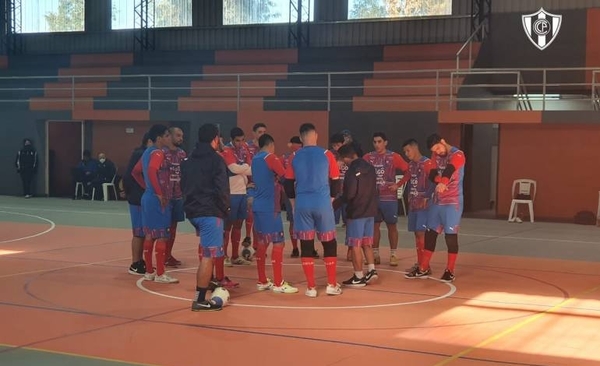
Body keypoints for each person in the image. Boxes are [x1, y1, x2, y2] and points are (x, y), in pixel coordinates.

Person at [284, 123, 342, 298]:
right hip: (322, 203)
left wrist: (294, 204)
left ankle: (311, 287)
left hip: (302, 204)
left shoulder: (294, 156)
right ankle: (331, 284)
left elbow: (287, 184)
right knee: (329, 242)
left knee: (306, 244)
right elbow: (336, 181)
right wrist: (330, 200)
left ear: (301, 138)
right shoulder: (327, 154)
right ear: (316, 135)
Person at [181, 123, 231, 311]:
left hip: (193, 210)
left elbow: (183, 186)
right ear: (215, 139)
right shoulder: (216, 160)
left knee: (206, 250)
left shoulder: (188, 160)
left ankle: (206, 282)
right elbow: (222, 188)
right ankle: (200, 299)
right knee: (209, 256)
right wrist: (225, 209)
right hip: (210, 212)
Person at [405, 133, 465, 283]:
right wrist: (438, 181)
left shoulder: (458, 155)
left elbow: (450, 170)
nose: (437, 152)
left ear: (443, 141)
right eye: (435, 150)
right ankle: (423, 267)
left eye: (438, 148)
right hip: (437, 201)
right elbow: (431, 172)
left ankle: (450, 270)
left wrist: (443, 182)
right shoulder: (434, 155)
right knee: (430, 233)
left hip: (452, 202)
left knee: (450, 237)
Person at [131, 124, 178, 284]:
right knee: (163, 236)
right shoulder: (158, 152)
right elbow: (151, 171)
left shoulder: (146, 152)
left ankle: (150, 272)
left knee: (150, 234)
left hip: (147, 197)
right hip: (157, 199)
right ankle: (160, 274)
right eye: (166, 136)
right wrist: (158, 192)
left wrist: (148, 188)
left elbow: (135, 172)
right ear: (159, 138)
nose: (169, 138)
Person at [252, 134, 298, 293]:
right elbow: (286, 176)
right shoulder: (270, 158)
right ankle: (278, 283)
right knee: (278, 243)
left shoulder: (255, 159)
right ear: (271, 145)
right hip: (270, 207)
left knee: (262, 243)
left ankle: (262, 280)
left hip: (258, 205)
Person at [333, 143, 379, 287]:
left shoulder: (352, 170)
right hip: (370, 210)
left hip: (356, 212)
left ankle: (358, 276)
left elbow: (350, 193)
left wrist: (336, 203)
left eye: (343, 158)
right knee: (367, 242)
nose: (343, 161)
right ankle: (372, 270)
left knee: (355, 244)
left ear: (350, 156)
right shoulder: (370, 168)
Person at [363, 132, 409, 266]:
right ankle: (375, 254)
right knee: (374, 226)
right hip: (373, 198)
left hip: (389, 198)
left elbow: (408, 170)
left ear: (385, 142)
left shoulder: (393, 157)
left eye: (379, 142)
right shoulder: (368, 157)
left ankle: (393, 254)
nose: (377, 144)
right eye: (375, 142)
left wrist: (398, 185)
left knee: (392, 226)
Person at [401, 139, 435, 273]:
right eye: (404, 152)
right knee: (417, 233)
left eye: (408, 150)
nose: (406, 154)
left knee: (422, 233)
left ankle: (425, 265)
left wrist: (426, 196)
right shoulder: (411, 165)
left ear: (415, 148)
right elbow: (409, 180)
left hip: (424, 204)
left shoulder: (427, 164)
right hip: (414, 204)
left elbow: (434, 182)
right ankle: (420, 262)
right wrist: (408, 194)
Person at [221, 128, 253, 267]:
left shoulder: (244, 149)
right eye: (237, 141)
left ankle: (235, 256)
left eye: (242, 140)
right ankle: (223, 255)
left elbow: (252, 168)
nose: (240, 143)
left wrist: (243, 167)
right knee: (228, 225)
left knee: (238, 225)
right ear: (232, 140)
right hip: (230, 193)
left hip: (242, 192)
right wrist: (244, 167)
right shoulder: (227, 150)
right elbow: (233, 168)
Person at [123, 133, 152, 275]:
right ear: (150, 141)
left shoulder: (146, 153)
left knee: (143, 232)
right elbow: (131, 174)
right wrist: (145, 187)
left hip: (140, 196)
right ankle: (135, 263)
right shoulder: (141, 154)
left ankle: (140, 261)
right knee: (139, 232)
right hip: (137, 197)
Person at [163, 127, 187, 267]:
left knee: (173, 228)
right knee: (162, 229)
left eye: (182, 135)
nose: (180, 138)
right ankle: (159, 256)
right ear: (169, 136)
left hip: (178, 196)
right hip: (164, 197)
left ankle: (168, 255)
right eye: (178, 135)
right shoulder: (162, 153)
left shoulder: (182, 153)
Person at [244, 122, 267, 250]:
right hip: (249, 186)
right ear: (253, 133)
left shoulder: (267, 148)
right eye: (260, 132)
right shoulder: (247, 147)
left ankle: (256, 246)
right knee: (250, 215)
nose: (262, 134)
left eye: (264, 132)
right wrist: (246, 182)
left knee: (259, 217)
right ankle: (247, 238)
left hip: (262, 188)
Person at [281, 136, 302, 258]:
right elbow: (279, 173)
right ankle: (295, 248)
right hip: (290, 194)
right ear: (291, 145)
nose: (298, 146)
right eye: (296, 144)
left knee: (308, 221)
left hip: (304, 193)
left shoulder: (306, 157)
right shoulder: (285, 158)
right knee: (293, 221)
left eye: (300, 144)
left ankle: (310, 247)